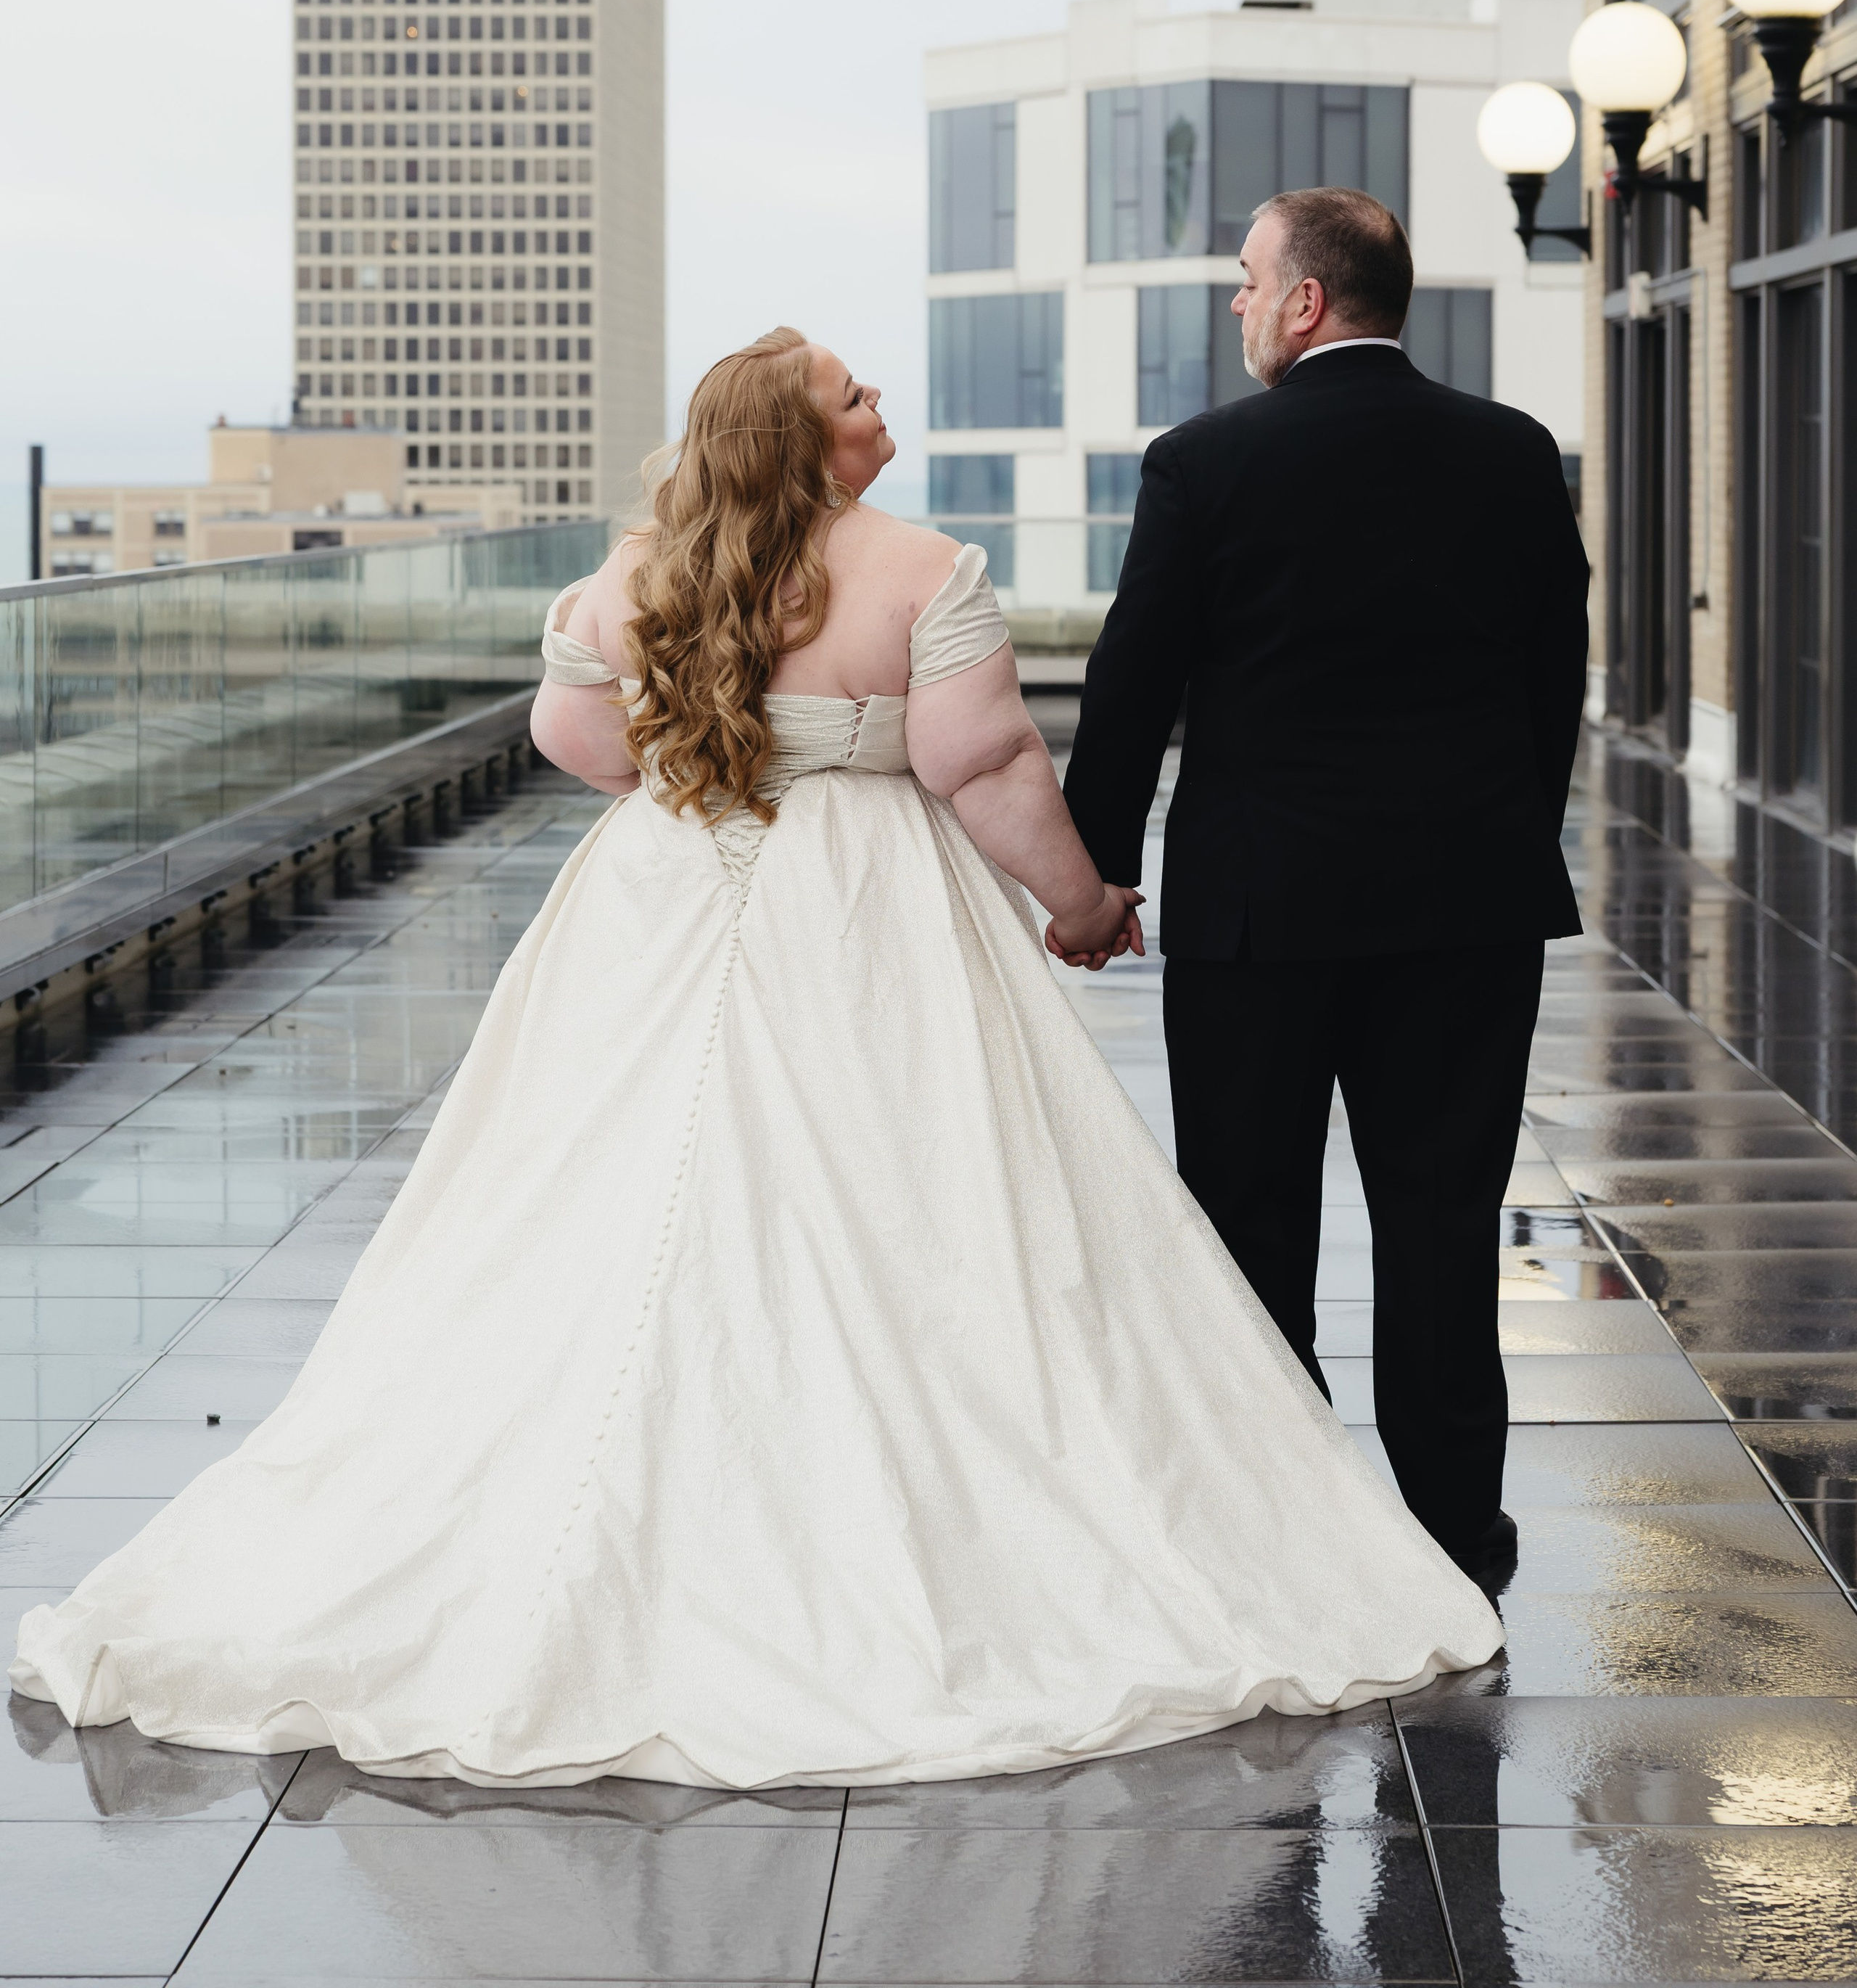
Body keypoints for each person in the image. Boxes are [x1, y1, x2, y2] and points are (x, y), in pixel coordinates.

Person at [12, 326, 1501, 1788]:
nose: (878, 400)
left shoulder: (634, 574)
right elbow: (978, 767)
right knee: (909, 1204)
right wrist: (1079, 904)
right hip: (869, 908)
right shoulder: (920, 570)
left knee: (601, 1196)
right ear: (805, 441)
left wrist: (708, 767)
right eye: (852, 392)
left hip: (661, 891)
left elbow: (573, 737)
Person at [1058, 190, 1590, 1601]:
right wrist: (1497, 842)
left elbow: (1132, 689)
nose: (1234, 306)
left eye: (1244, 282)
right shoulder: (1510, 453)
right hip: (1466, 915)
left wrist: (1091, 874)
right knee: (1437, 1232)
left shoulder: (1203, 464)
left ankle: (1281, 1549)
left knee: (1247, 1237)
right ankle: (1454, 1553)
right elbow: (1554, 683)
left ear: (1303, 302)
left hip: (1260, 919)